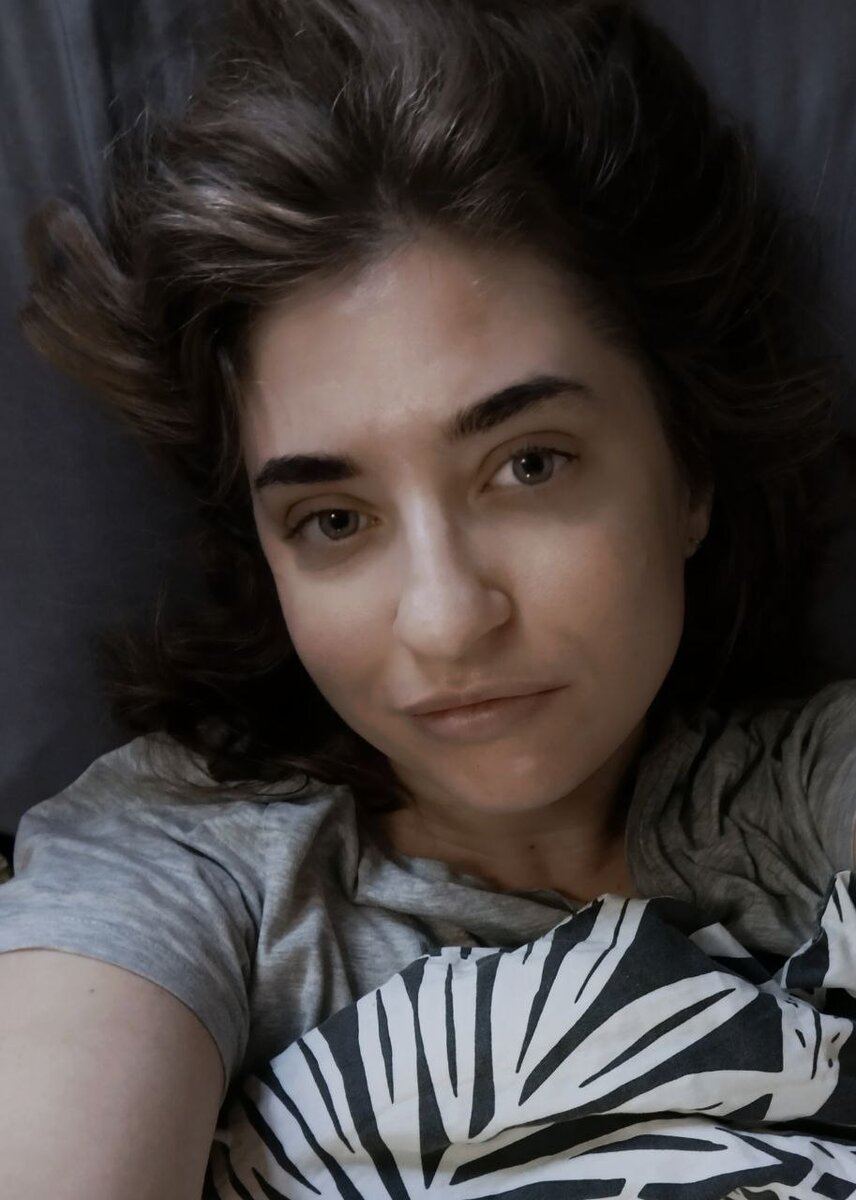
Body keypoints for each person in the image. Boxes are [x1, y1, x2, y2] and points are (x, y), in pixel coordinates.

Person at [2, 0, 855, 1196]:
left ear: (688, 470)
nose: (447, 620)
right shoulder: (177, 868)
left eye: (529, 465)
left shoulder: (812, 792)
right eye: (334, 520)